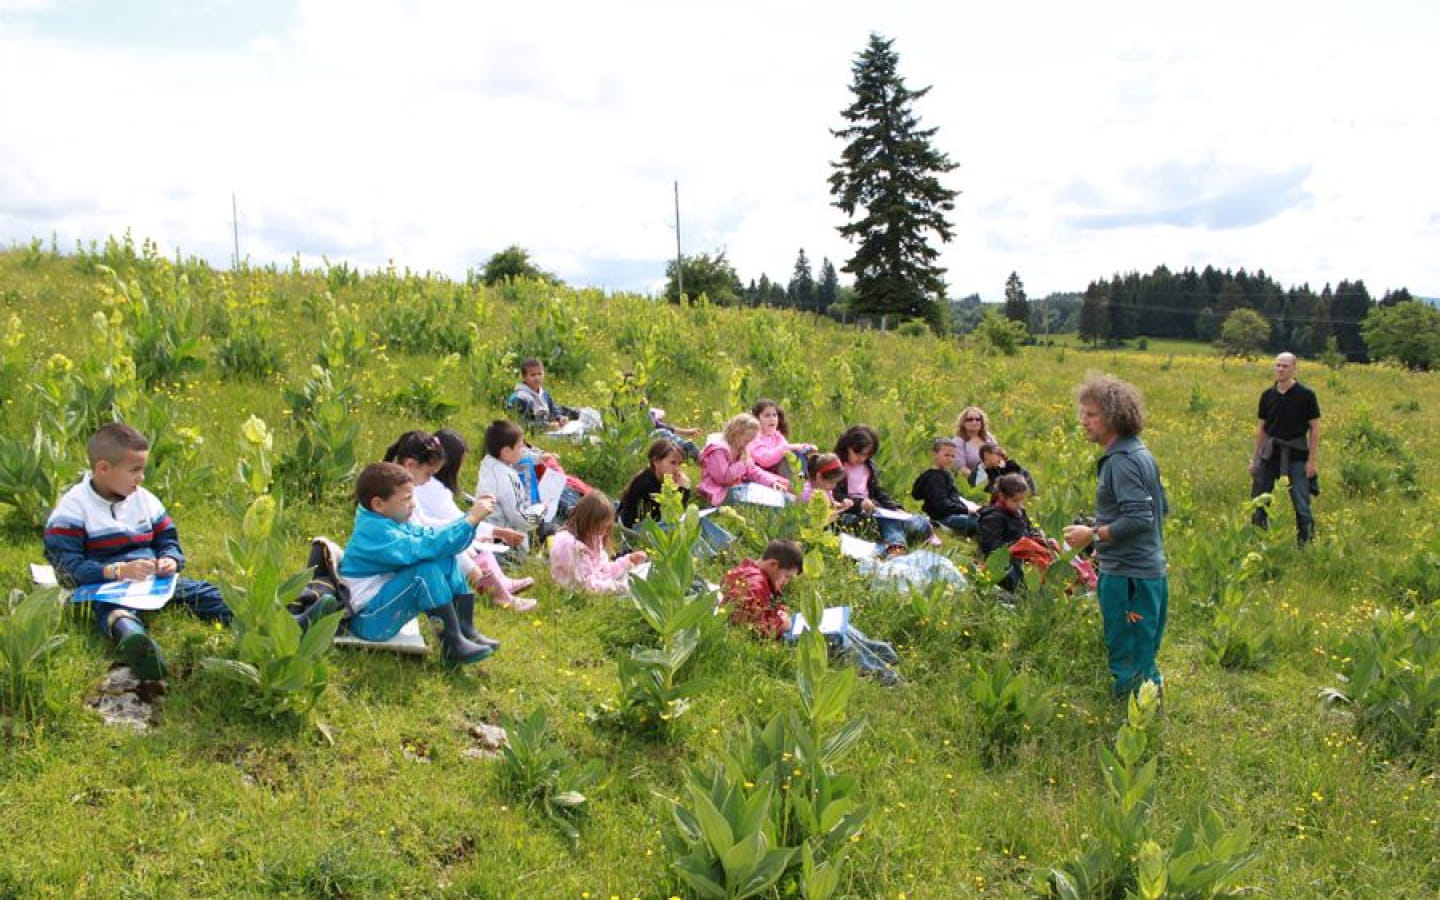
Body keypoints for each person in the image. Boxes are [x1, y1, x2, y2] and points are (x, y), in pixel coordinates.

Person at [43, 423, 233, 681]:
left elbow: (168, 539)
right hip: (103, 586)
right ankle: (137, 643)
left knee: (205, 593)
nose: (141, 478)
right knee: (113, 611)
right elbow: (68, 571)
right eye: (135, 470)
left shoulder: (145, 499)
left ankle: (279, 617)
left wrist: (170, 560)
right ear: (103, 469)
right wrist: (117, 571)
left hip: (154, 580)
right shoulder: (71, 512)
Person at [1063, 376, 1168, 700]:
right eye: (1083, 413)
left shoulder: (1122, 461)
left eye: (1091, 415)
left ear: (1113, 416)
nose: (1084, 421)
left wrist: (1093, 534)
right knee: (1141, 651)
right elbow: (1160, 508)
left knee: (1130, 657)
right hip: (1142, 573)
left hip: (1129, 578)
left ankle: (1133, 722)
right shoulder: (1139, 453)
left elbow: (1140, 517)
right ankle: (1146, 712)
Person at [338, 462, 497, 665]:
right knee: (424, 570)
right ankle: (452, 644)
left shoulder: (386, 519)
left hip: (379, 609)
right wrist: (471, 519)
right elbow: (427, 546)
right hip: (367, 621)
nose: (413, 504)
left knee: (445, 558)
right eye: (406, 499)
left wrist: (469, 520)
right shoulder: (376, 532)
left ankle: (465, 630)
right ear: (379, 504)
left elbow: (430, 537)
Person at [396, 429, 537, 613]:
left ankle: (485, 599)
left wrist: (471, 525)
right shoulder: (415, 491)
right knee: (453, 549)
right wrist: (473, 520)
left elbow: (424, 523)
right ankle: (494, 594)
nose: (428, 479)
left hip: (408, 550)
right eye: (428, 473)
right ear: (411, 465)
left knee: (453, 548)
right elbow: (425, 528)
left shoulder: (409, 490)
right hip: (402, 559)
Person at [1250, 351, 1321, 545]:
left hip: (1297, 455)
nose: (1280, 369)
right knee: (1259, 500)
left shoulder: (1306, 395)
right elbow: (1262, 429)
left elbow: (1314, 428)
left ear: (1294, 369)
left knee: (1301, 503)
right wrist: (1255, 459)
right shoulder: (1267, 395)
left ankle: (1305, 544)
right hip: (1270, 453)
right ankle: (1258, 541)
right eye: (1278, 365)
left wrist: (1312, 461)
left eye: (1285, 366)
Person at [832, 424, 933, 554]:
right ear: (847, 446)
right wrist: (858, 503)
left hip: (872, 509)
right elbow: (834, 493)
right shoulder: (836, 465)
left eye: (867, 455)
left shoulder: (868, 467)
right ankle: (896, 545)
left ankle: (915, 528)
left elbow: (877, 491)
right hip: (849, 512)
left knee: (897, 517)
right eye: (858, 454)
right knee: (888, 520)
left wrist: (895, 508)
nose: (862, 459)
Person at [549, 491, 648, 596]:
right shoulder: (569, 546)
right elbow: (585, 586)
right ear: (587, 521)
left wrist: (628, 561)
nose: (604, 532)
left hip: (596, 588)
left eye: (606, 528)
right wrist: (618, 587)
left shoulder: (593, 537)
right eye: (600, 528)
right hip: (575, 595)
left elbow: (602, 572)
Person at [475, 419, 545, 548]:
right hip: (505, 542)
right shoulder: (508, 477)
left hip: (487, 532)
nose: (523, 449)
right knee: (548, 528)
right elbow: (520, 519)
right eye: (520, 446)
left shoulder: (488, 464)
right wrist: (542, 510)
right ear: (506, 452)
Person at [697, 413, 792, 506]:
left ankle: (790, 499)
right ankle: (786, 502)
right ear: (735, 434)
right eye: (746, 440)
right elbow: (722, 478)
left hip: (736, 485)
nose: (748, 444)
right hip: (718, 491)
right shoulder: (718, 451)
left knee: (775, 488)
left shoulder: (741, 448)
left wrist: (772, 482)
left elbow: (753, 471)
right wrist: (742, 463)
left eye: (750, 441)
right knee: (759, 498)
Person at [721, 539, 805, 639]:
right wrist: (781, 624)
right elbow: (747, 625)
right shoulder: (756, 585)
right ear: (773, 564)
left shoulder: (750, 570)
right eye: (786, 576)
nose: (786, 582)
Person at [978, 473, 1047, 591]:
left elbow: (1030, 530)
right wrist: (1019, 547)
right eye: (1015, 501)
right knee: (1015, 572)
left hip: (1026, 554)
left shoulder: (1020, 512)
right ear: (1002, 496)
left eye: (1022, 500)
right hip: (1007, 558)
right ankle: (1023, 590)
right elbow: (992, 548)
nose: (1019, 504)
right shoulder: (993, 517)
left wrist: (1038, 540)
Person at [508, 357, 599, 433]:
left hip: (552, 428)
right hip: (540, 433)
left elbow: (553, 411)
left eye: (539, 374)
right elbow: (521, 425)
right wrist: (546, 427)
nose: (537, 378)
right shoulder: (520, 398)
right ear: (524, 377)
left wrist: (560, 418)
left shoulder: (543, 394)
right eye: (533, 375)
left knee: (586, 418)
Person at [911, 438, 979, 535]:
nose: (950, 459)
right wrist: (967, 510)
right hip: (944, 518)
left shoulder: (942, 474)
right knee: (984, 521)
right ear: (934, 454)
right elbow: (942, 506)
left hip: (952, 513)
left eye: (953, 456)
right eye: (946, 455)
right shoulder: (935, 478)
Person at [748, 399, 815, 479]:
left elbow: (786, 449)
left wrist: (803, 447)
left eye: (774, 415)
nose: (772, 419)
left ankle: (803, 480)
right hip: (760, 477)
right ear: (757, 420)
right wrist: (788, 448)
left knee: (801, 454)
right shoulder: (754, 438)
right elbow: (765, 460)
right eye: (767, 416)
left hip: (779, 477)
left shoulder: (777, 436)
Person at [968, 442, 1037, 497]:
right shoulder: (982, 470)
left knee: (1024, 472)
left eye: (999, 456)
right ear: (985, 460)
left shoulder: (1007, 465)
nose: (999, 459)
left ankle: (1030, 494)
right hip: (993, 494)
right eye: (987, 459)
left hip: (1013, 490)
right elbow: (979, 486)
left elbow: (1020, 476)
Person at [952, 406, 998, 480]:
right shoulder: (958, 441)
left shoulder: (989, 438)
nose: (974, 422)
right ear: (963, 422)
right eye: (970, 419)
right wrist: (981, 479)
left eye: (978, 419)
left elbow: (999, 459)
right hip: (971, 481)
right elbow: (961, 469)